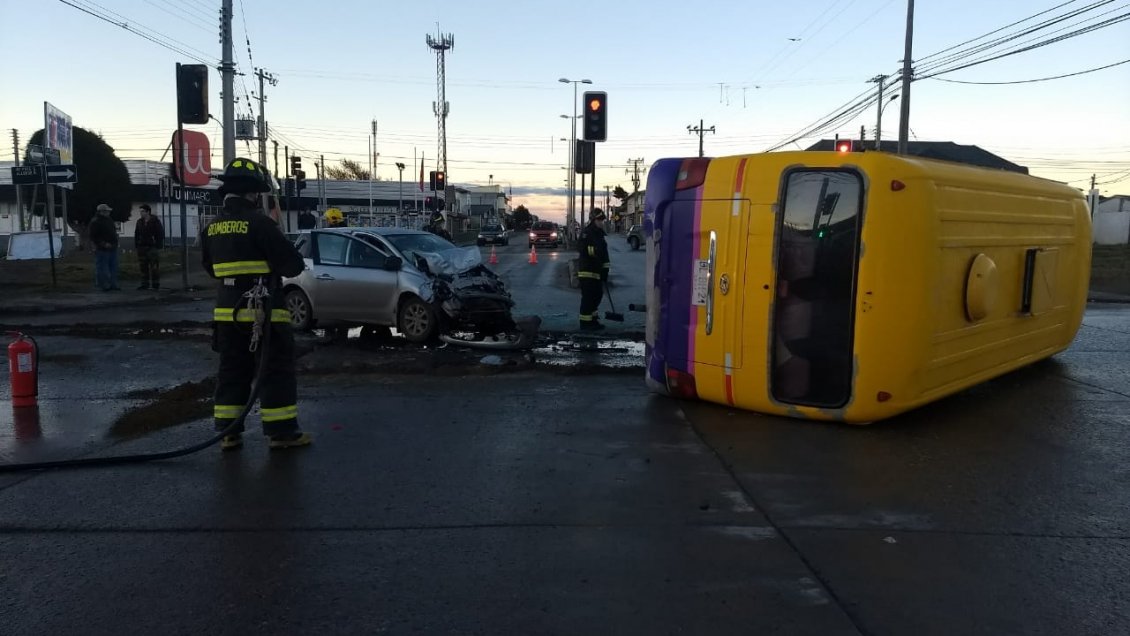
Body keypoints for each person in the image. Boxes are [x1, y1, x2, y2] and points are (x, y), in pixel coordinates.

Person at [201, 157, 311, 451]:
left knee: (232, 370)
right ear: (253, 193)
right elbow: (292, 266)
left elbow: (210, 268)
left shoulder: (212, 228)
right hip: (265, 313)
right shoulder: (261, 223)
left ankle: (228, 432)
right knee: (274, 370)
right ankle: (281, 433)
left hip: (226, 314)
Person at [577, 208, 611, 331]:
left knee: (597, 295)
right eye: (600, 219)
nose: (602, 222)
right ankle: (585, 323)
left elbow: (605, 255)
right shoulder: (587, 233)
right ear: (593, 220)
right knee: (588, 298)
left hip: (597, 272)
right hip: (587, 271)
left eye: (603, 220)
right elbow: (584, 249)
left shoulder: (600, 235)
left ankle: (593, 320)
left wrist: (605, 270)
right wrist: (597, 256)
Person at [89, 203, 120, 292]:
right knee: (102, 267)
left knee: (113, 267)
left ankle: (113, 284)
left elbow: (113, 232)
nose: (109, 212)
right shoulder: (95, 221)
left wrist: (115, 241)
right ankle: (103, 285)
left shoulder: (109, 220)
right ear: (101, 212)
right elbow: (93, 236)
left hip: (113, 247)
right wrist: (103, 244)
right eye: (107, 211)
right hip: (102, 249)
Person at [134, 204, 165, 290]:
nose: (141, 213)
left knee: (154, 266)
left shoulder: (155, 221)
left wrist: (156, 244)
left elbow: (160, 233)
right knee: (143, 266)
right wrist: (137, 244)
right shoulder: (139, 222)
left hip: (152, 247)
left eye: (143, 211)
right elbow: (136, 234)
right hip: (142, 247)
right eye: (140, 211)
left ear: (148, 212)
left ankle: (155, 284)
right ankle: (145, 284)